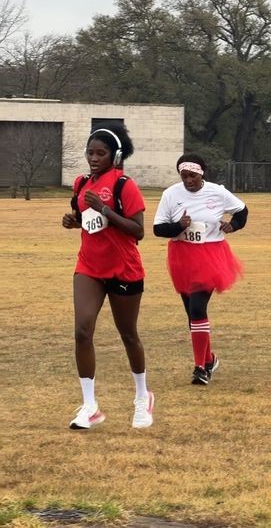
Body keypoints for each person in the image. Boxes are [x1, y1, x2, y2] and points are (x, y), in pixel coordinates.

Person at [61, 123, 153, 429]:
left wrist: (106, 210)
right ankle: (89, 406)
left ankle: (142, 396)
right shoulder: (81, 183)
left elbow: (138, 230)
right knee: (82, 331)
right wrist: (73, 221)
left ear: (114, 156)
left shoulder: (125, 185)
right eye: (90, 152)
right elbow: (86, 219)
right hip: (89, 266)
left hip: (124, 268)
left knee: (128, 334)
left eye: (101, 153)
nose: (93, 158)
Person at [153, 154, 248, 385]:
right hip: (182, 257)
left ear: (202, 173)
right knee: (192, 313)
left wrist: (232, 225)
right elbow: (158, 229)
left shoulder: (217, 192)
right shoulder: (171, 194)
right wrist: (178, 226)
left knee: (197, 308)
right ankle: (209, 359)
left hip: (210, 256)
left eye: (192, 176)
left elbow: (242, 211)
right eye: (184, 176)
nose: (188, 181)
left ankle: (200, 369)